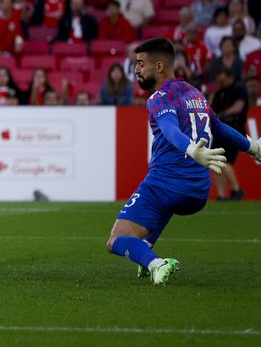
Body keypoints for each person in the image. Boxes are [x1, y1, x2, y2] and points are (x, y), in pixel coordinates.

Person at [106, 38, 261, 285]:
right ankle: (145, 252)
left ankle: (156, 264)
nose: (136, 69)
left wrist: (190, 149)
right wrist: (253, 148)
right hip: (198, 191)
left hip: (167, 184)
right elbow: (219, 128)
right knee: (152, 219)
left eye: (140, 64)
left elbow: (168, 128)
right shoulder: (195, 93)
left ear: (159, 66)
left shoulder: (158, 98)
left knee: (115, 240)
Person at [210, 68, 248, 201]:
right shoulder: (220, 92)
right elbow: (211, 108)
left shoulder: (239, 89)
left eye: (222, 79)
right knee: (215, 161)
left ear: (229, 76)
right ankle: (221, 194)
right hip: (219, 131)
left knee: (225, 161)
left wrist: (225, 114)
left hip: (233, 129)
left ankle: (236, 189)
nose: (220, 82)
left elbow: (239, 106)